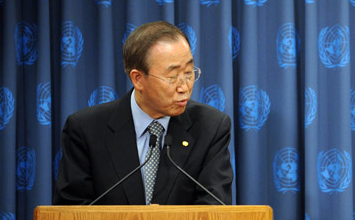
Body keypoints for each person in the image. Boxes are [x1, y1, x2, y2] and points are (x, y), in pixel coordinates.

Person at [53, 21, 233, 205]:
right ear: (138, 79)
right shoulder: (86, 130)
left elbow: (214, 207)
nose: (184, 87)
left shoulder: (210, 127)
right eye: (172, 77)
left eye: (188, 73)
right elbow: (72, 210)